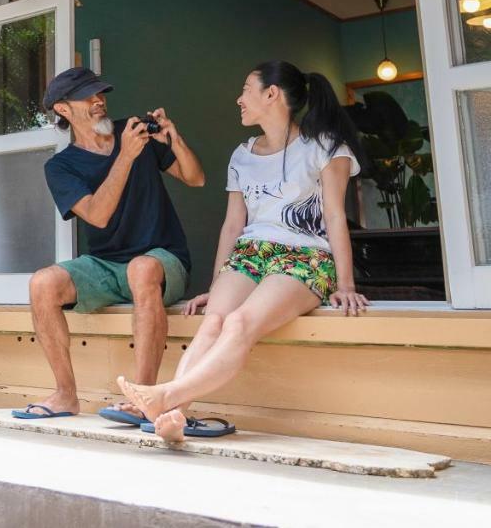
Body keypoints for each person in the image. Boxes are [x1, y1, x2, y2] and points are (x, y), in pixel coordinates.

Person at [119, 61, 370, 441]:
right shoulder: (242, 155)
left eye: (246, 90)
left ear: (272, 94)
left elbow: (335, 217)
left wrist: (346, 283)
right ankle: (174, 416)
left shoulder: (326, 148)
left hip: (303, 257)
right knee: (213, 322)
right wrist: (216, 281)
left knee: (239, 323)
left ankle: (167, 397)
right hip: (250, 254)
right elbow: (233, 225)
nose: (239, 99)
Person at [14, 67, 205, 421]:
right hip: (106, 265)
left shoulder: (133, 135)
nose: (99, 101)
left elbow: (196, 178)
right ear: (63, 109)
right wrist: (126, 157)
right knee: (42, 283)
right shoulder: (61, 167)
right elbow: (98, 215)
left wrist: (174, 139)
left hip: (161, 261)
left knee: (141, 268)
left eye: (100, 94)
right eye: (87, 97)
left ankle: (145, 395)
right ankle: (66, 394)